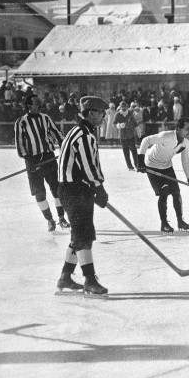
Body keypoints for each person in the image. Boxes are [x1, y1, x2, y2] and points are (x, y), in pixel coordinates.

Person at [55, 96, 110, 297]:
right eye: (101, 112)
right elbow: (89, 167)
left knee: (79, 235)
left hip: (75, 189)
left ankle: (65, 277)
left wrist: (94, 188)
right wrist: (99, 188)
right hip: (75, 191)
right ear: (91, 113)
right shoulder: (85, 135)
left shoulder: (77, 131)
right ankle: (90, 280)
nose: (104, 116)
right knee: (83, 236)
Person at [14, 94, 68, 232]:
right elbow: (20, 146)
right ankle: (50, 220)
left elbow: (57, 134)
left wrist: (64, 147)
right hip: (32, 161)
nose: (38, 104)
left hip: (49, 158)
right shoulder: (21, 122)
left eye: (39, 102)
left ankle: (61, 218)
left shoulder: (45, 118)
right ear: (29, 106)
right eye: (35, 102)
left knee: (57, 189)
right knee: (40, 193)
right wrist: (30, 161)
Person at [136, 117, 189, 233]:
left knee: (176, 192)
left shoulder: (185, 143)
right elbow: (146, 140)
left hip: (167, 166)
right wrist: (140, 161)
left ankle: (180, 221)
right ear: (179, 128)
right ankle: (164, 223)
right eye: (187, 129)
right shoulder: (166, 136)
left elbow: (185, 161)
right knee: (164, 192)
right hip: (152, 165)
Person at [115, 101, 137, 170]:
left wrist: (137, 128)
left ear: (127, 107)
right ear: (120, 107)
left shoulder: (130, 113)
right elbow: (114, 123)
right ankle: (129, 166)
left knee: (134, 150)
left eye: (125, 107)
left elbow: (134, 121)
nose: (124, 108)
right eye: (122, 107)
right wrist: (119, 125)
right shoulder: (118, 114)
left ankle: (137, 164)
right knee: (126, 151)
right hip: (123, 136)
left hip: (131, 135)